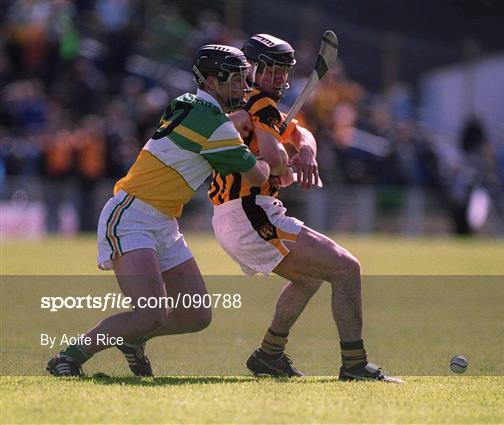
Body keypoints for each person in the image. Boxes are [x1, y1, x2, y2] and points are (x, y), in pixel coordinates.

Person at [46, 45, 272, 376]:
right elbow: (257, 175)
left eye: (243, 79)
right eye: (235, 80)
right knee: (150, 312)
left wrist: (243, 128)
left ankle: (133, 339)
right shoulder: (217, 128)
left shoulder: (186, 103)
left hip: (164, 222)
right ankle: (68, 357)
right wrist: (270, 153)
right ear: (211, 82)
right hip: (131, 215)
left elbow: (216, 127)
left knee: (196, 315)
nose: (243, 88)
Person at [210, 34, 402, 382]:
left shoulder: (255, 105)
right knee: (347, 268)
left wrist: (305, 150)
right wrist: (283, 165)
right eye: (270, 72)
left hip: (239, 214)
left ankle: (269, 354)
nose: (279, 80)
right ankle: (355, 365)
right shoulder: (258, 105)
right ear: (250, 70)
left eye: (283, 72)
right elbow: (274, 155)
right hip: (250, 213)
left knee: (310, 278)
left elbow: (299, 134)